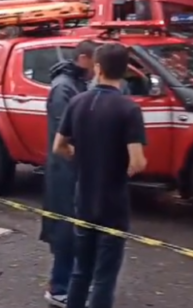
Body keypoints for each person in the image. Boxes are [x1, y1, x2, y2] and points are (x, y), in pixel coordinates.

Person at [53, 43, 148, 308]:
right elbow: (138, 161)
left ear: (98, 68)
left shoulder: (77, 102)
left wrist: (79, 154)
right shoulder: (129, 109)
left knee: (81, 271)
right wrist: (130, 166)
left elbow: (58, 146)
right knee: (104, 277)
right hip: (113, 205)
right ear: (125, 71)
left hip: (83, 199)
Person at [40, 40, 96, 307]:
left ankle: (73, 281)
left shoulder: (76, 82)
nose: (97, 69)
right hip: (64, 169)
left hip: (73, 167)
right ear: (83, 58)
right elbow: (67, 132)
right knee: (66, 228)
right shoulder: (64, 86)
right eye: (94, 62)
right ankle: (59, 286)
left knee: (77, 226)